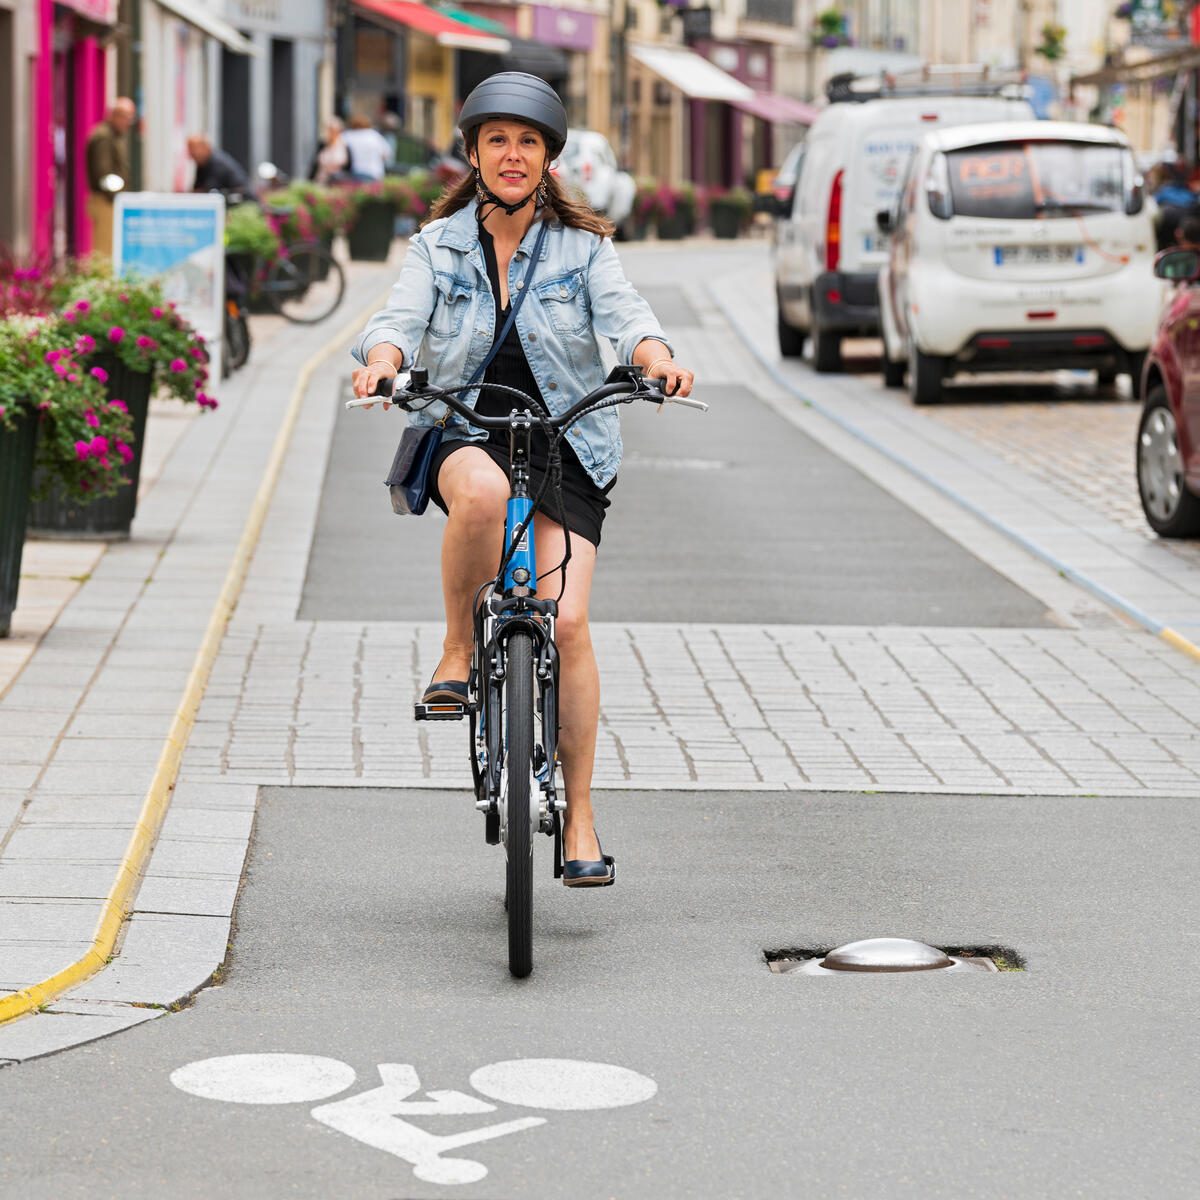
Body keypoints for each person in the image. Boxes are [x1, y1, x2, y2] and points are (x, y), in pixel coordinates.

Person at [350, 73, 694, 885]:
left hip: (565, 439)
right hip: (468, 427)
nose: (512, 155)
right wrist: (385, 364)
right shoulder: (439, 244)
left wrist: (658, 360)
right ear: (471, 153)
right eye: (497, 140)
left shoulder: (584, 248)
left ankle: (579, 816)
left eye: (528, 142)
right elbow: (396, 318)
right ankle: (457, 653)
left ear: (548, 159)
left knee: (567, 623)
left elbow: (627, 314)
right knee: (481, 492)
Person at [85, 98, 136, 258]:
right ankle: (101, 283)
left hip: (111, 201)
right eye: (126, 118)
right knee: (105, 250)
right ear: (114, 115)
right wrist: (117, 196)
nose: (128, 123)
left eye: (130, 118)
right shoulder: (104, 137)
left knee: (111, 249)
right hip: (106, 201)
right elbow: (104, 174)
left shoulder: (112, 136)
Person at [341, 115, 392, 181]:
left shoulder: (348, 135)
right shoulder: (374, 135)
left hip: (355, 171)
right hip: (375, 172)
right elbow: (386, 154)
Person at [310, 117, 350, 185]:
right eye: (329, 130)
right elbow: (315, 165)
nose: (331, 133)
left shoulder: (345, 146)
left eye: (333, 131)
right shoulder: (322, 145)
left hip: (337, 182)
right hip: (321, 180)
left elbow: (348, 167)